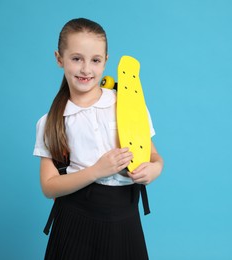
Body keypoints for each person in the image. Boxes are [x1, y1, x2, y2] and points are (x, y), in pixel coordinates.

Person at [33, 18, 163, 260]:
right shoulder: (50, 121)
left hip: (124, 219)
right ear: (59, 59)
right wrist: (96, 171)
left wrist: (154, 169)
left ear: (105, 61)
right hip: (73, 224)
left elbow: (154, 156)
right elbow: (49, 186)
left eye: (95, 60)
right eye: (76, 58)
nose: (86, 69)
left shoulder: (128, 105)